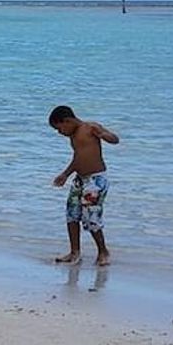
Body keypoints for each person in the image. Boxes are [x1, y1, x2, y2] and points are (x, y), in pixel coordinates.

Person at [49, 105, 119, 266]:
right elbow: (78, 158)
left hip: (95, 180)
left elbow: (115, 139)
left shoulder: (90, 127)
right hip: (80, 180)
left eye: (59, 128)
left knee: (91, 217)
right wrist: (65, 174)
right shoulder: (73, 136)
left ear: (67, 121)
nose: (59, 133)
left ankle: (103, 251)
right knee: (72, 214)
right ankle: (75, 252)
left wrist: (104, 135)